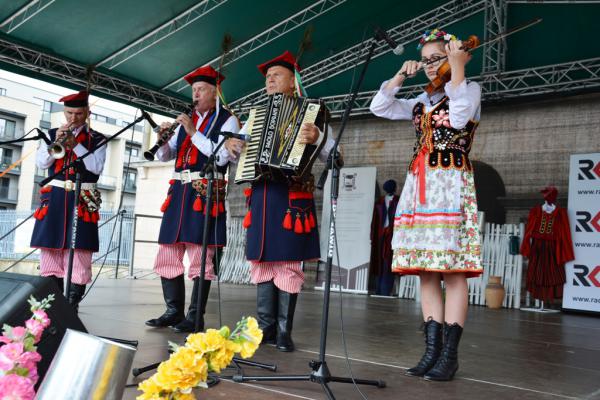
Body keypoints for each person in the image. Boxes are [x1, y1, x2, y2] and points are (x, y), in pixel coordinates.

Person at [369, 28, 483, 381]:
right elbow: (379, 106)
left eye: (439, 58)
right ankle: (431, 351)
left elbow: (461, 116)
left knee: (453, 270)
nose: (434, 66)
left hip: (450, 185)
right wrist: (402, 74)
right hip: (421, 185)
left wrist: (457, 65)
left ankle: (450, 355)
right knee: (427, 270)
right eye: (429, 60)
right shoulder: (421, 101)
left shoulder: (467, 88)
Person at [231, 51, 335, 352]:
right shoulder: (256, 115)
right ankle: (266, 329)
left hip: (291, 196)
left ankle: (284, 330)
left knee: (288, 262)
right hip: (262, 196)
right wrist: (233, 144)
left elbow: (334, 156)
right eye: (267, 77)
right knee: (262, 261)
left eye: (276, 75)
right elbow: (238, 153)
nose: (270, 81)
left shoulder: (312, 112)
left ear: (293, 82)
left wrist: (316, 138)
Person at [145, 66, 240, 333]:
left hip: (205, 189)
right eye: (193, 91)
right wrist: (161, 140)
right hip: (179, 189)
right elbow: (166, 156)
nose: (195, 95)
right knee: (168, 249)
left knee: (200, 254)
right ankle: (173, 311)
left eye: (201, 90)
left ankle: (195, 315)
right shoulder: (187, 120)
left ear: (215, 92)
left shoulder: (228, 121)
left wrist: (192, 132)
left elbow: (221, 157)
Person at [30, 90, 107, 313]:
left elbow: (96, 167)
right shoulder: (51, 132)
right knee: (50, 249)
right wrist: (55, 141)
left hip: (81, 198)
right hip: (54, 198)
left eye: (78, 113)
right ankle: (54, 308)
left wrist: (75, 144)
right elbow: (42, 163)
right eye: (69, 113)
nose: (73, 118)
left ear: (87, 113)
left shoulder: (98, 139)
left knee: (80, 251)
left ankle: (70, 307)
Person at [520, 186, 574, 304]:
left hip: (552, 248)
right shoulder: (536, 211)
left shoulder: (560, 213)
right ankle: (539, 299)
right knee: (537, 272)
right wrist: (527, 246)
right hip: (537, 247)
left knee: (551, 273)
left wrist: (564, 250)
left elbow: (565, 233)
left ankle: (547, 300)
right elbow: (529, 230)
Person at [370, 179, 399, 296]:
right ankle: (380, 290)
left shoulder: (397, 201)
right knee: (381, 263)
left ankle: (385, 290)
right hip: (382, 235)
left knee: (388, 263)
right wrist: (372, 235)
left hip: (391, 235)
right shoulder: (380, 202)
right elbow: (374, 221)